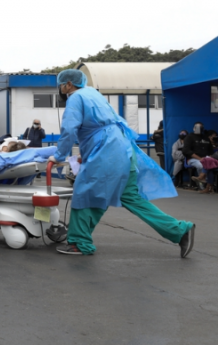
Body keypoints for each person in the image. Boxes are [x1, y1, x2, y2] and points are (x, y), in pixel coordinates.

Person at [49, 69, 194, 257]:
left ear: (69, 84)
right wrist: (88, 153)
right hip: (123, 150)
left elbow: (69, 130)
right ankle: (179, 230)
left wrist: (58, 156)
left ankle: (79, 243)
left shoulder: (75, 98)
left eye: (61, 85)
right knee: (131, 197)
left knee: (86, 192)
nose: (60, 89)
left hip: (107, 153)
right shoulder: (93, 94)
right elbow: (99, 128)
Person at [182, 122, 213, 186]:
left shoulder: (206, 138)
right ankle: (202, 184)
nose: (199, 129)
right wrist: (200, 158)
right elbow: (186, 151)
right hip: (193, 159)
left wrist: (209, 158)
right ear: (194, 128)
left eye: (201, 127)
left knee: (211, 165)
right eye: (197, 127)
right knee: (201, 165)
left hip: (206, 158)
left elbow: (211, 151)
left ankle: (208, 184)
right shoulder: (189, 137)